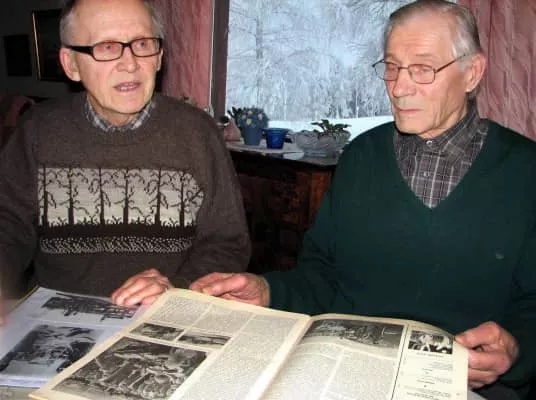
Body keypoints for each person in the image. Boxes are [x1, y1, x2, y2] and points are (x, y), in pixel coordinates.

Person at [191, 1, 536, 399]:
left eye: (422, 69)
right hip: (345, 375)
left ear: (472, 72)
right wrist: (268, 291)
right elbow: (321, 277)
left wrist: (516, 348)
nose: (399, 88)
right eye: (392, 67)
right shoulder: (360, 157)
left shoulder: (525, 172)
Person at [0, 0, 250, 322]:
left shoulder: (199, 134)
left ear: (159, 57)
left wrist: (178, 288)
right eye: (107, 47)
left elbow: (228, 245)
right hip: (59, 321)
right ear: (71, 64)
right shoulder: (37, 130)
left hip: (164, 318)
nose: (130, 64)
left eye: (142, 45)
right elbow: (8, 225)